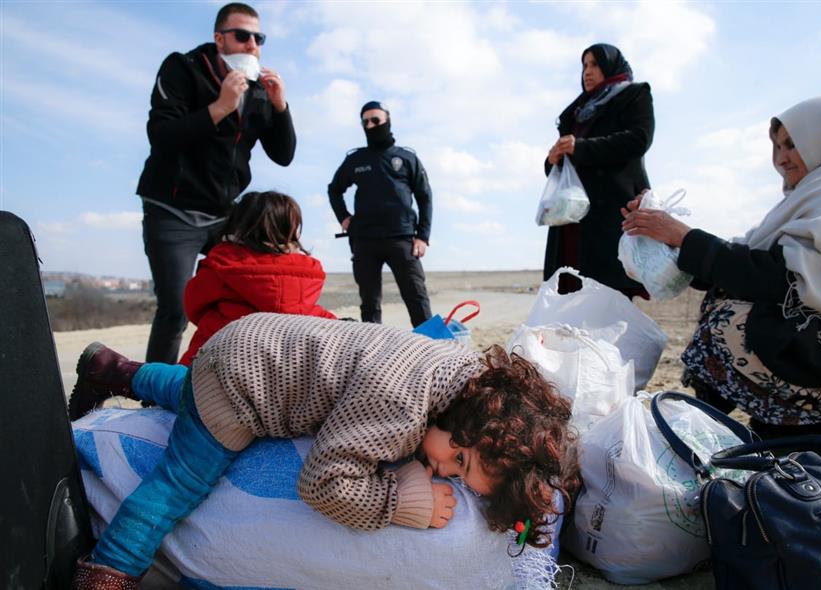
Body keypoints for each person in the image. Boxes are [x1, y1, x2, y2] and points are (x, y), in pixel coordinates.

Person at [68, 315, 581, 587]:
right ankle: (106, 573)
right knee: (176, 486)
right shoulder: (401, 407)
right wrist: (397, 502)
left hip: (258, 341)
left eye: (459, 478)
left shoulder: (464, 372)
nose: (444, 472)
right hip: (244, 386)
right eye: (459, 462)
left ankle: (110, 369)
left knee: (187, 391)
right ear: (460, 420)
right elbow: (323, 482)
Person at [621, 96, 821, 439]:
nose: (782, 158)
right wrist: (664, 237)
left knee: (734, 319)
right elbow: (745, 263)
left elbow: (780, 279)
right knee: (723, 299)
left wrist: (685, 237)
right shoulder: (812, 198)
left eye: (792, 144)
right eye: (778, 146)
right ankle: (754, 426)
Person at [137, 2, 296, 364]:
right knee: (176, 308)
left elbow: (283, 154)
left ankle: (233, 376)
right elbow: (161, 136)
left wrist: (281, 107)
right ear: (219, 38)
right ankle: (153, 398)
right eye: (242, 36)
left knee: (255, 292)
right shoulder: (183, 68)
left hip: (225, 214)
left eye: (259, 38)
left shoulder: (258, 90)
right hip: (172, 209)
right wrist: (221, 107)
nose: (252, 45)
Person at [544, 43, 654, 297]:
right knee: (571, 286)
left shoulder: (634, 95)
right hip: (573, 216)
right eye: (584, 66)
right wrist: (553, 159)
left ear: (610, 66)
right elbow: (562, 165)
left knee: (608, 291)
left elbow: (639, 139)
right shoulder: (577, 112)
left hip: (611, 210)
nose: (587, 72)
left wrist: (579, 147)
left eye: (594, 64)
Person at [178, 191, 336, 366]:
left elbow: (193, 304)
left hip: (217, 363)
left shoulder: (223, 263)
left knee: (155, 378)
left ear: (237, 226)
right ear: (291, 231)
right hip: (287, 370)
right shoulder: (306, 271)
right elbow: (313, 313)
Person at [328, 101, 433, 327]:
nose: (370, 125)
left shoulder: (406, 158)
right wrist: (343, 217)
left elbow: (425, 197)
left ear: (387, 121)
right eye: (365, 122)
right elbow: (334, 189)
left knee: (417, 298)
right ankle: (371, 355)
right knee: (369, 304)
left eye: (376, 120)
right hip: (365, 241)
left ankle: (434, 351)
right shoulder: (355, 160)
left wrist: (422, 236)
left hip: (402, 240)